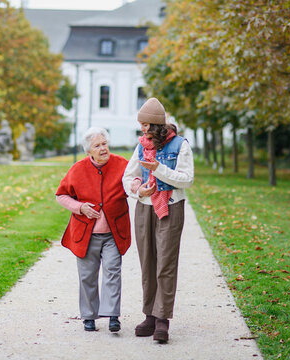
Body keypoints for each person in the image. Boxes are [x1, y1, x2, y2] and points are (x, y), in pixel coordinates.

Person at [122, 97, 194, 343]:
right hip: (144, 207)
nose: (142, 129)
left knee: (165, 263)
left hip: (171, 208)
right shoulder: (141, 145)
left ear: (155, 125)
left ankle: (162, 319)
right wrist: (138, 189)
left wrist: (157, 169)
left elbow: (187, 180)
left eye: (145, 124)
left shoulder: (180, 145)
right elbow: (128, 176)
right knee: (148, 263)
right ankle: (150, 316)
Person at [56, 127, 131, 332]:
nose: (102, 148)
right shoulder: (77, 169)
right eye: (97, 146)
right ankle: (89, 316)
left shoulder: (122, 165)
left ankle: (113, 315)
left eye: (104, 144)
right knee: (87, 276)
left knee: (112, 271)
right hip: (86, 234)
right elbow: (61, 195)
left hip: (114, 233)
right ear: (89, 151)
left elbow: (134, 181)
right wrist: (80, 207)